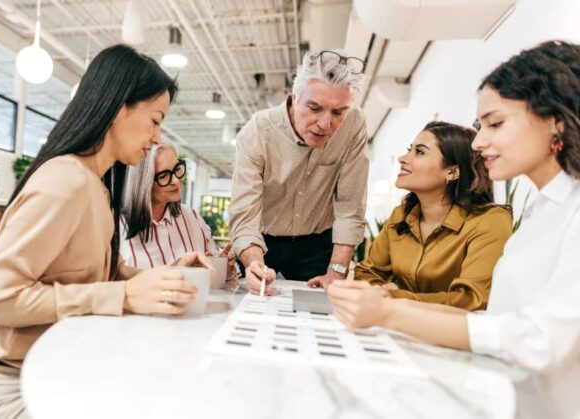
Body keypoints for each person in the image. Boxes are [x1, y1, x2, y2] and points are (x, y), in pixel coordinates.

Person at [0, 44, 211, 418]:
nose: (156, 137)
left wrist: (164, 277)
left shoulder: (95, 186)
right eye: (155, 119)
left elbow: (108, 275)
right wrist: (123, 296)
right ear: (119, 108)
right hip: (2, 385)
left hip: (47, 368)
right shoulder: (65, 182)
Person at [328, 40, 580, 418]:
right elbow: (495, 321)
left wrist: (389, 312)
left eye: (496, 124)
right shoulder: (543, 210)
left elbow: (539, 340)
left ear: (555, 121)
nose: (479, 142)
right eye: (480, 127)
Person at [229, 49, 370, 295]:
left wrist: (337, 272)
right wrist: (253, 263)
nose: (326, 124)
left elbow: (350, 206)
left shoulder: (354, 124)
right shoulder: (258, 132)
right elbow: (244, 215)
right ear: (295, 97)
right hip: (262, 241)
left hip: (317, 244)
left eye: (338, 112)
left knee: (323, 310)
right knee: (251, 302)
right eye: (315, 108)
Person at [352, 121, 512, 310]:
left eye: (419, 152)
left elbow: (471, 298)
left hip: (456, 332)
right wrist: (382, 292)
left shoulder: (491, 221)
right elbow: (368, 272)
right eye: (409, 150)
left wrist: (395, 297)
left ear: (452, 171)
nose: (402, 158)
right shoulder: (401, 215)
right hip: (402, 322)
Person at [120, 143, 239, 281]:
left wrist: (222, 269)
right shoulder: (116, 226)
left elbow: (213, 276)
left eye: (177, 168)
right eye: (164, 175)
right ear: (143, 182)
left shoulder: (192, 218)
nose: (176, 181)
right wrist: (176, 269)